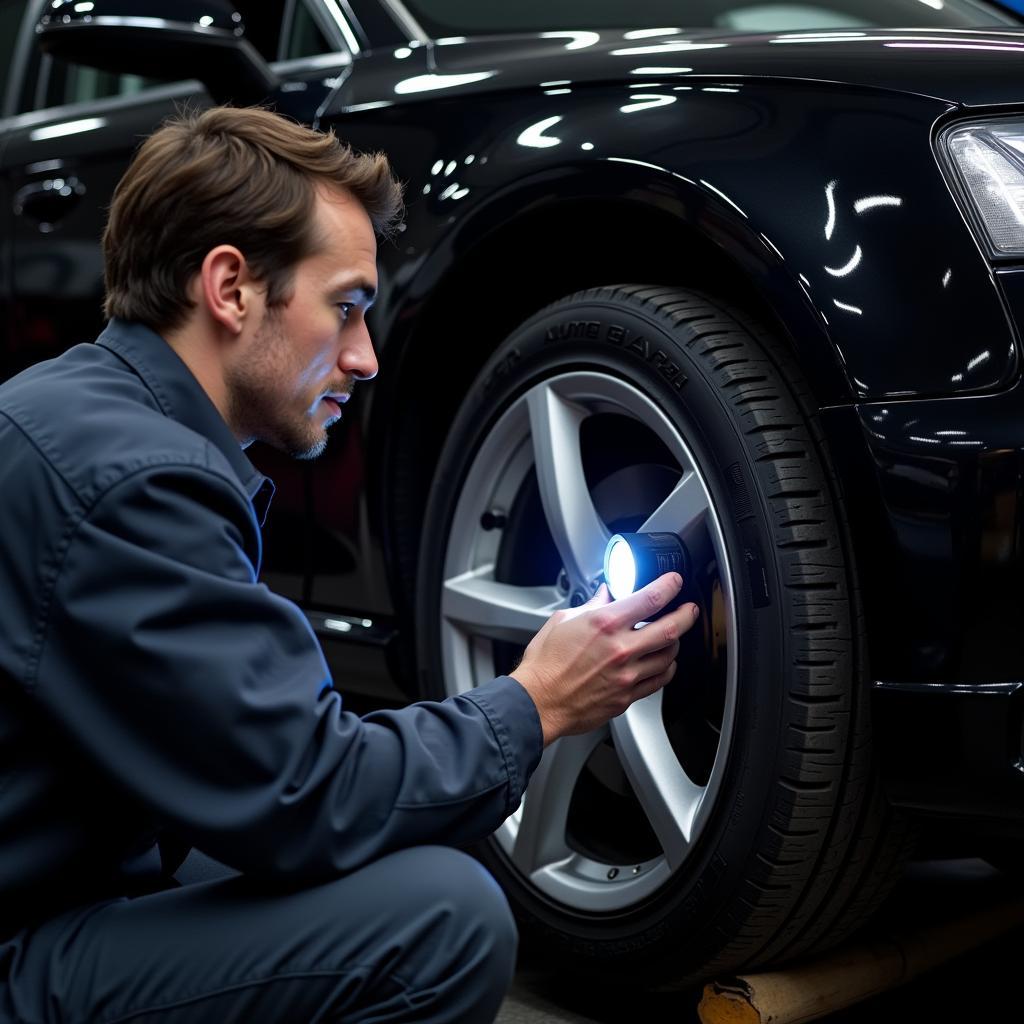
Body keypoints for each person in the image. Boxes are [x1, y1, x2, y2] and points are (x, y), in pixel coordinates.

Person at [0, 106, 699, 1023]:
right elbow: (305, 793)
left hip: (58, 870)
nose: (366, 358)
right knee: (443, 920)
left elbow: (252, 769)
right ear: (231, 288)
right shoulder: (138, 482)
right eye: (347, 306)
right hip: (22, 946)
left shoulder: (65, 408)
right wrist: (538, 704)